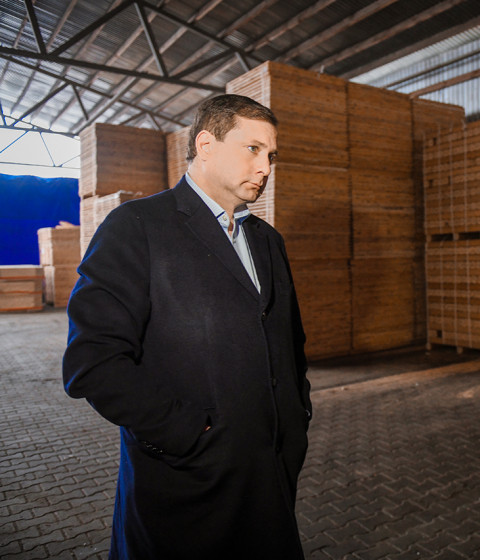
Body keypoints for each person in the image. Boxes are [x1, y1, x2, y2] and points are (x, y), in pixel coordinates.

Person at [63, 94, 311, 559]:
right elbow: (93, 364)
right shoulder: (136, 226)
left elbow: (289, 343)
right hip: (185, 482)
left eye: (271, 155)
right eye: (253, 149)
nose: (265, 167)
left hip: (270, 472)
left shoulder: (267, 241)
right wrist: (188, 433)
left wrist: (297, 416)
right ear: (206, 145)